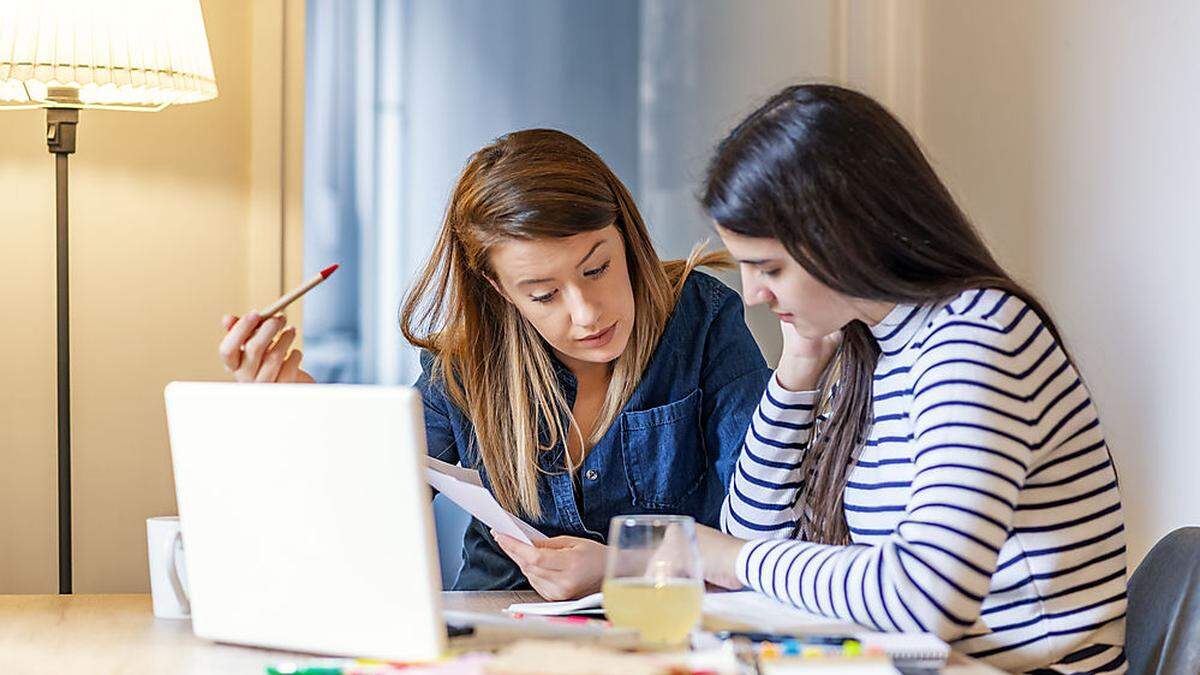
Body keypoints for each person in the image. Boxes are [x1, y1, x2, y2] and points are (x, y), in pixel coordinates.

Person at [218, 129, 771, 600]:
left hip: (662, 633)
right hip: (492, 633)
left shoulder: (702, 319)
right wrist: (293, 412)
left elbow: (758, 532)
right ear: (498, 288)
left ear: (624, 235)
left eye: (597, 268)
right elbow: (373, 519)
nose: (585, 314)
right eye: (542, 294)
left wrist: (619, 568)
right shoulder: (463, 364)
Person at [694, 85, 1127, 674]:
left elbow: (924, 600)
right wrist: (796, 374)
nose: (753, 295)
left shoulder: (977, 335)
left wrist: (737, 560)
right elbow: (751, 530)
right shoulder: (880, 344)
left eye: (769, 268)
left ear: (845, 234)